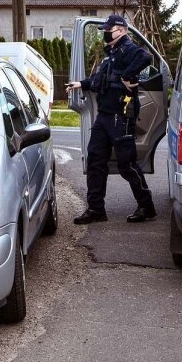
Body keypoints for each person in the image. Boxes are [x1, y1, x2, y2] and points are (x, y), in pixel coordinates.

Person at [66, 14, 156, 224]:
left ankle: (146, 206)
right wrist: (81, 84)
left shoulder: (129, 48)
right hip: (104, 116)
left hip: (121, 115)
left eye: (110, 30)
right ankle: (96, 209)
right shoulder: (111, 54)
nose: (106, 33)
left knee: (127, 164)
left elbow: (146, 57)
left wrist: (127, 76)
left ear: (122, 30)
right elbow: (100, 80)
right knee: (96, 161)